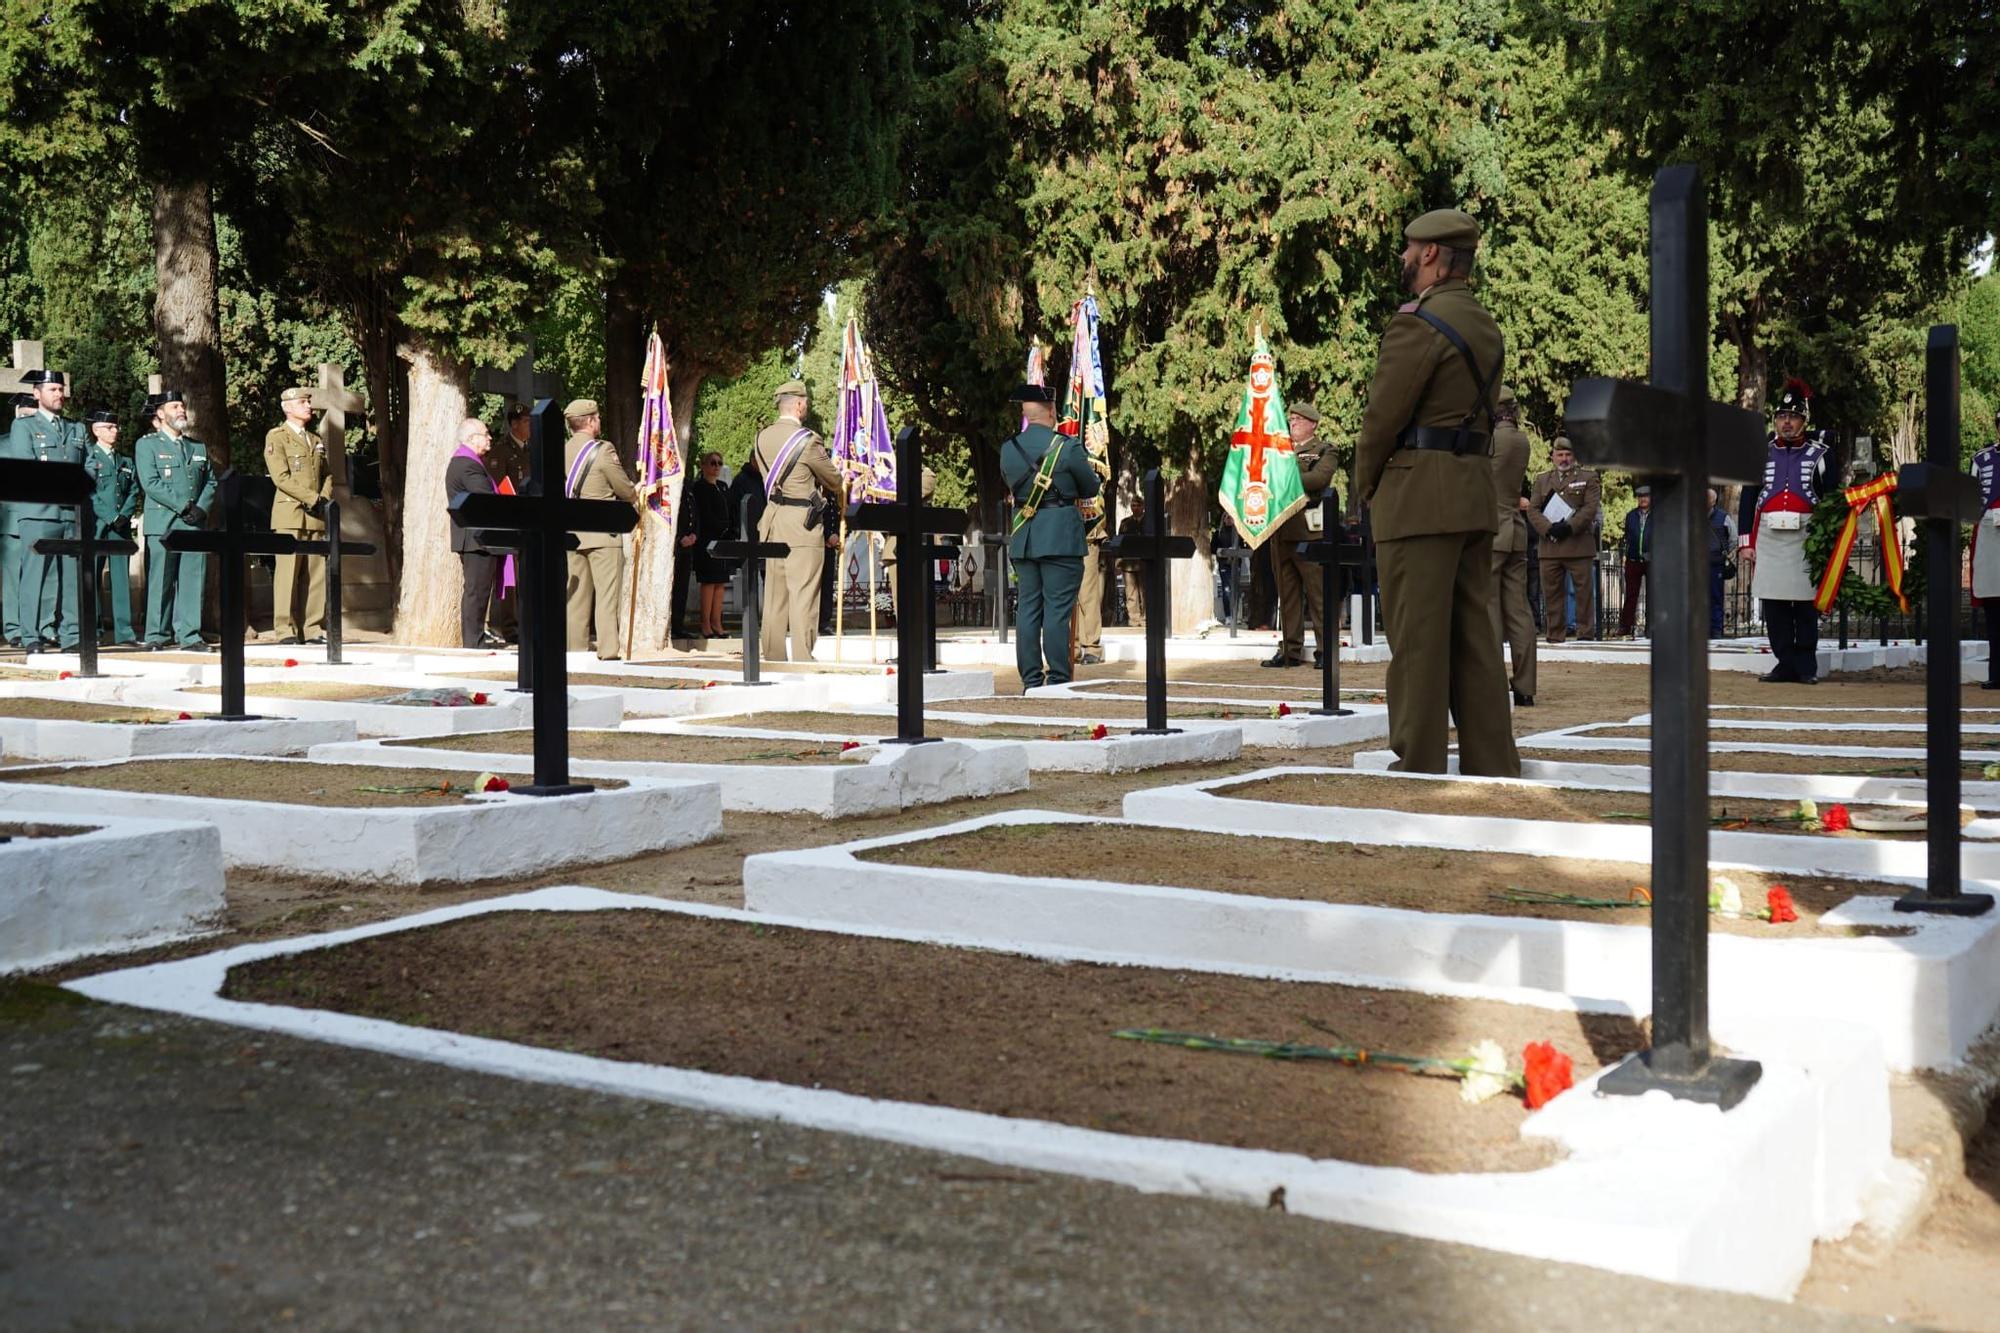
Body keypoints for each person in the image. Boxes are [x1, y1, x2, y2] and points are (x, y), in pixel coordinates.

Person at [1353, 207, 1519, 776]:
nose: (1404, 257)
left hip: (1419, 498)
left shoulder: (1417, 323)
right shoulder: (1484, 322)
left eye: (1410, 247)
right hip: (1472, 493)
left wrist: (1364, 484)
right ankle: (1493, 759)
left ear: (1430, 254)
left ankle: (1419, 759)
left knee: (1418, 639)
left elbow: (1381, 420)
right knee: (1474, 636)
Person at [1001, 383, 1100, 689]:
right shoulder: (1066, 447)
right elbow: (1090, 487)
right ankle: (1058, 678)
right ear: (1052, 411)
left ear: (1025, 414)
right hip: (1059, 537)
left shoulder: (1008, 448)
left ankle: (1031, 679)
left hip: (1024, 536)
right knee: (1057, 610)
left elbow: (1013, 487)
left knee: (1028, 609)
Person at [1737, 378, 1831, 683]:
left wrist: (1827, 540)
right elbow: (1749, 496)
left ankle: (1805, 666)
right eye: (1781, 417)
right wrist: (1745, 542)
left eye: (1792, 417)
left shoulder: (1820, 453)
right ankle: (1785, 662)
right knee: (1773, 603)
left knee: (1804, 603)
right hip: (1769, 534)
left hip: (1805, 536)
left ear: (1804, 420)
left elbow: (1830, 500)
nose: (1786, 423)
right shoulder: (1760, 451)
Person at [754, 380, 841, 662]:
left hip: (773, 518)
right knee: (804, 593)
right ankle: (803, 657)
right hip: (802, 522)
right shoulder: (808, 440)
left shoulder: (761, 438)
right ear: (800, 404)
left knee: (774, 597)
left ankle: (774, 656)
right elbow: (834, 480)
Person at [9, 370, 86, 651]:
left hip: (71, 514)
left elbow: (87, 467)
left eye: (61, 389)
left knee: (72, 579)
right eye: (53, 389)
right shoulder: (24, 427)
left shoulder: (76, 429)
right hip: (40, 512)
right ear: (37, 394)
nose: (59, 394)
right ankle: (30, 636)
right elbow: (27, 469)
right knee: (34, 577)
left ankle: (72, 636)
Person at [135, 388, 217, 651]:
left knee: (194, 578)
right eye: (174, 407)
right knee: (161, 579)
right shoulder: (147, 445)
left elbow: (211, 480)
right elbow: (151, 483)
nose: (181, 410)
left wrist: (202, 508)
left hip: (194, 522)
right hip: (164, 521)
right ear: (160, 413)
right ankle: (157, 634)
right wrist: (184, 506)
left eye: (182, 406)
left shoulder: (197, 446)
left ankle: (190, 635)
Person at [1263, 400, 1340, 668]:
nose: (1292, 423)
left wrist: (1284, 476)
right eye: (1291, 419)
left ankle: (1325, 650)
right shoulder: (1278, 451)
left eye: (1298, 419)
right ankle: (1290, 650)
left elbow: (1319, 480)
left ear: (1313, 425)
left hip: (1308, 533)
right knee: (1288, 596)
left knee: (1318, 595)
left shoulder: (1324, 450)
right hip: (1280, 530)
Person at [562, 398, 638, 660]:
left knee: (576, 599)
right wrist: (634, 490)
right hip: (603, 532)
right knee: (607, 598)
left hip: (572, 531)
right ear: (591, 420)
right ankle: (608, 652)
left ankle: (575, 652)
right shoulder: (602, 450)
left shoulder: (561, 450)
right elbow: (624, 489)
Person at [264, 387, 331, 645]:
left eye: (308, 402)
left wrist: (323, 498)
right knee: (287, 574)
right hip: (290, 513)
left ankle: (313, 628)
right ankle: (285, 629)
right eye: (302, 402)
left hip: (315, 515)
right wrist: (312, 498)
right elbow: (281, 477)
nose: (308, 406)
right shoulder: (277, 437)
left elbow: (328, 474)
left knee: (316, 575)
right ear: (287, 407)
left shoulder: (315, 439)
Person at [1488, 385, 1535, 706]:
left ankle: (1488, 681)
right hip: (1516, 531)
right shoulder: (1522, 440)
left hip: (1491, 531)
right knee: (1518, 611)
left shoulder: (1490, 441)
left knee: (1487, 608)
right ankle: (1525, 686)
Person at [1527, 437, 1601, 643]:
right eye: (1560, 455)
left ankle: (1585, 634)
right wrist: (1549, 528)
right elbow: (1532, 509)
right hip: (1550, 546)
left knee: (1584, 594)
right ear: (1553, 457)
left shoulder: (1589, 477)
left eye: (1568, 454)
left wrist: (1569, 527)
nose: (1564, 459)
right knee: (1551, 595)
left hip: (1578, 545)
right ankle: (1555, 635)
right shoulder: (1542, 479)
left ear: (1574, 456)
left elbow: (1590, 508)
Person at [82, 409, 139, 646]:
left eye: (116, 427)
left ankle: (124, 633)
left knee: (120, 580)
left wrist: (123, 515)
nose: (114, 431)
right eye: (109, 427)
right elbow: (89, 491)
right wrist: (110, 516)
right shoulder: (88, 458)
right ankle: (93, 630)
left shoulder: (125, 461)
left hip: (120, 528)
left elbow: (134, 490)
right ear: (96, 430)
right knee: (91, 578)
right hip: (96, 525)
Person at [445, 418, 502, 648]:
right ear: (471, 438)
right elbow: (485, 499)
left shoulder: (468, 462)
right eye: (485, 434)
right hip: (476, 538)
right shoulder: (467, 465)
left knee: (478, 591)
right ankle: (473, 642)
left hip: (474, 537)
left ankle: (476, 639)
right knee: (476, 592)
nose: (489, 438)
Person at [486, 403, 532, 641]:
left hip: (531, 520)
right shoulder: (501, 451)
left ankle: (528, 622)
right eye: (526, 421)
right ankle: (509, 626)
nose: (530, 425)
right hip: (511, 521)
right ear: (514, 424)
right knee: (510, 577)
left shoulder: (533, 450)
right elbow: (497, 486)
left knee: (529, 575)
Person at [0, 390, 39, 647]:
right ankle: (13, 628)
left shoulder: (46, 439)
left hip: (40, 517)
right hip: (12, 519)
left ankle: (41, 627)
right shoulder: (2, 444)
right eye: (25, 414)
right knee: (13, 579)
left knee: (42, 578)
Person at [681, 450, 733, 638]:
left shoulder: (723, 486)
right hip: (707, 541)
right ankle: (705, 624)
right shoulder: (700, 488)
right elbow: (704, 514)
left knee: (720, 583)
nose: (716, 467)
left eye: (719, 463)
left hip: (723, 541)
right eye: (712, 463)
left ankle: (717, 623)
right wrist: (720, 527)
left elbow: (729, 509)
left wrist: (729, 529)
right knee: (709, 583)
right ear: (703, 466)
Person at [1970, 411, 2000, 688]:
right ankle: (1996, 673)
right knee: (1994, 607)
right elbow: (1972, 501)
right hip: (1991, 532)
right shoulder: (1982, 459)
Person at [1618, 486, 1653, 637]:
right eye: (1640, 496)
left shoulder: (1658, 515)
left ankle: (1652, 628)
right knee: (1631, 595)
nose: (1643, 499)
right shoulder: (1631, 515)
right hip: (1633, 559)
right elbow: (1628, 536)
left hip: (1652, 560)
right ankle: (1626, 627)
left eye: (1646, 496)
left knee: (1653, 595)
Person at [1705, 487, 1734, 639]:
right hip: (1698, 563)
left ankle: (1716, 629)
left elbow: (1733, 538)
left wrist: (1726, 554)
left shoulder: (1723, 517)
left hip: (1716, 563)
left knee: (1716, 597)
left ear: (1713, 501)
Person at [1116, 493, 1148, 627]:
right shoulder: (1125, 523)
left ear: (1143, 507)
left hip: (1145, 561)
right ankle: (1134, 619)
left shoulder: (1148, 522)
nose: (1135, 508)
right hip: (1128, 563)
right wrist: (1118, 560)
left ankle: (1145, 618)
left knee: (1145, 592)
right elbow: (1119, 542)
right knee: (1131, 593)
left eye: (1138, 505)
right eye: (1133, 505)